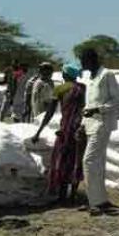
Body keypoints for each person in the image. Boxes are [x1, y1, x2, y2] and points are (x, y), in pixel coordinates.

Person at [32, 63, 86, 203]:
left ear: (66, 74)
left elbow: (50, 113)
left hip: (65, 130)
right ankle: (73, 196)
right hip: (80, 129)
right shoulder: (83, 88)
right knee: (76, 160)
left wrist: (39, 132)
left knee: (61, 160)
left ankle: (62, 196)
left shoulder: (59, 89)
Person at [80, 48, 119, 216]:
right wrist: (82, 123)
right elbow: (88, 103)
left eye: (84, 61)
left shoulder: (107, 75)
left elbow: (116, 99)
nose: (82, 65)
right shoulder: (89, 78)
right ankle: (101, 200)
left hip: (102, 123)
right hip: (90, 124)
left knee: (88, 161)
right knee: (98, 163)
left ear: (92, 60)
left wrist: (98, 109)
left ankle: (94, 202)